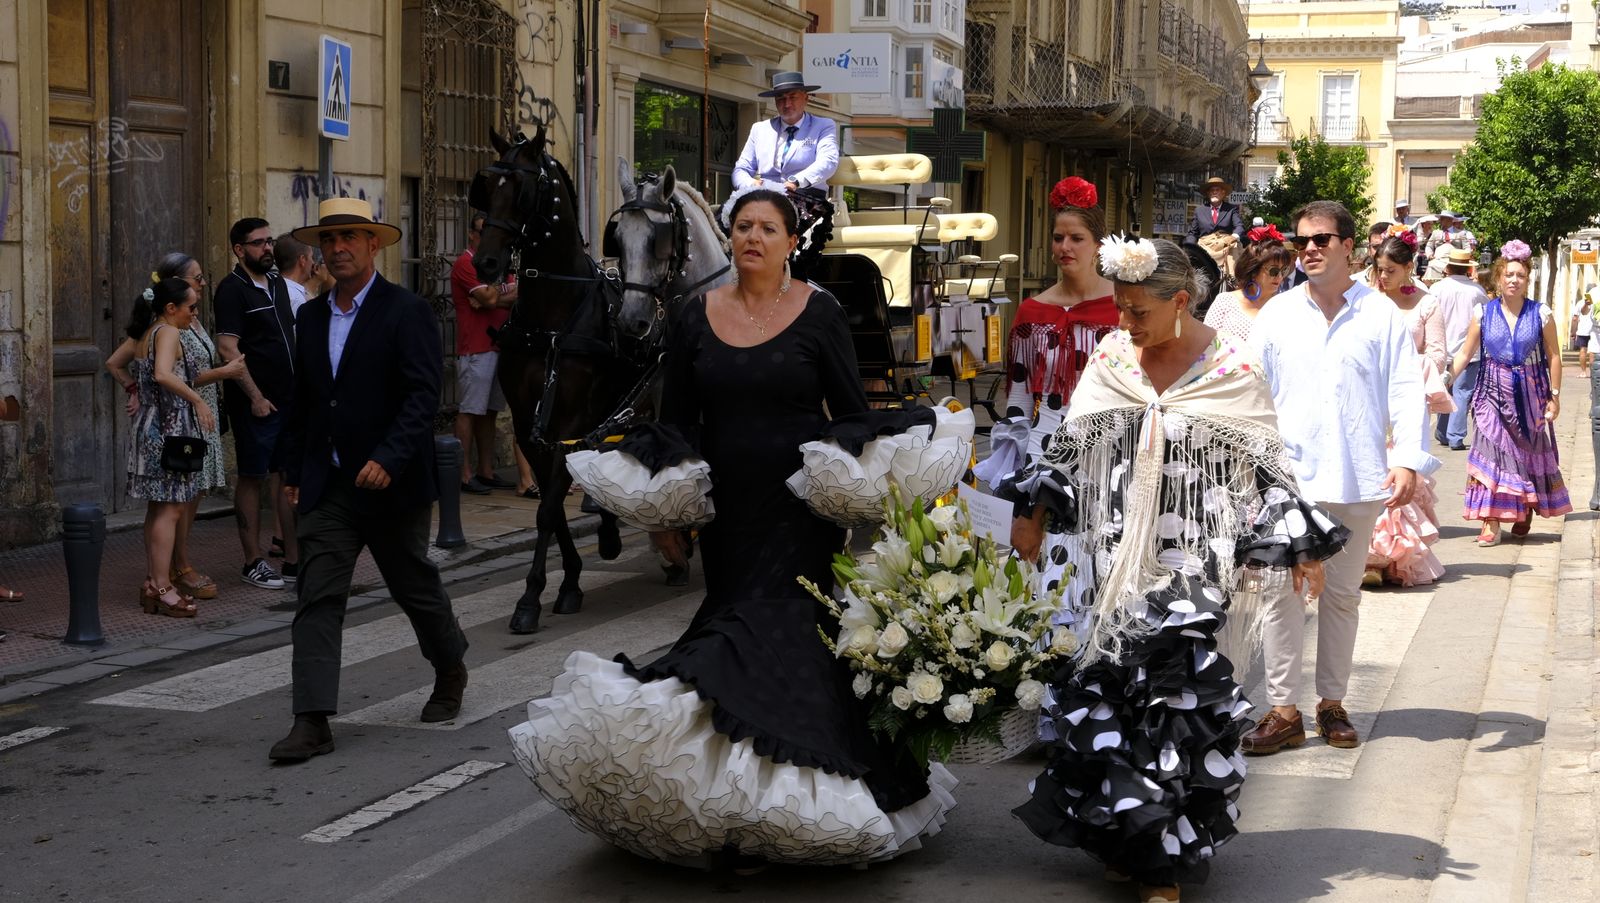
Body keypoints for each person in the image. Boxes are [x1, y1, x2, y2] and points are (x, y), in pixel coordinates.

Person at [507, 188, 956, 868]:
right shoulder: (693, 315)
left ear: (789, 239)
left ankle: (811, 801)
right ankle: (742, 803)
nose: (752, 237)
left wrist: (880, 469)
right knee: (733, 625)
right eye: (742, 226)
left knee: (783, 635)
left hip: (799, 510)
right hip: (730, 513)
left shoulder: (821, 312)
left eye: (767, 227)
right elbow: (680, 422)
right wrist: (665, 501)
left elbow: (850, 411)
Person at [1009, 236, 1347, 903]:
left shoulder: (1229, 366)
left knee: (1171, 693)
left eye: (1138, 311)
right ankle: (1125, 833)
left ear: (1182, 301)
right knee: (1113, 689)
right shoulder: (1112, 355)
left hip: (1193, 556)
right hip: (1115, 555)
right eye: (1122, 308)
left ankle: (1161, 856)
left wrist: (1302, 546)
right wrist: (1033, 512)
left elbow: (1267, 462)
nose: (1125, 323)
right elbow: (1069, 442)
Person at [268, 198, 470, 762]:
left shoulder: (405, 311)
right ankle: (311, 721)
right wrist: (293, 469)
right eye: (330, 239)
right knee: (318, 595)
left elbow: (422, 396)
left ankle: (450, 665)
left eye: (351, 237)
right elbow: (303, 399)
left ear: (373, 245)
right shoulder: (309, 317)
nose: (339, 248)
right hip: (329, 485)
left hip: (391, 483)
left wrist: (390, 455)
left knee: (413, 586)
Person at [1245, 200, 1438, 757]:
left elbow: (1405, 391)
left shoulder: (1380, 315)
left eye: (1322, 239)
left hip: (1357, 475)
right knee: (1283, 595)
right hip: (1290, 477)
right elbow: (1251, 389)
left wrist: (1406, 459)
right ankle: (1283, 709)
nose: (1309, 249)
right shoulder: (1278, 316)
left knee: (1344, 597)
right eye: (1301, 240)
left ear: (1350, 247)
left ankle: (1331, 702)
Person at [107, 253, 235, 601]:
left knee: (157, 507)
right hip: (169, 429)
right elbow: (164, 375)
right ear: (170, 307)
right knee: (171, 508)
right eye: (190, 308)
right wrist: (196, 399)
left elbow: (115, 364)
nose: (195, 313)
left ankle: (153, 580)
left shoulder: (146, 332)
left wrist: (133, 389)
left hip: (149, 426)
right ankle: (163, 584)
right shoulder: (167, 333)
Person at [1449, 240, 1572, 546]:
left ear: (1527, 280)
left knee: (1523, 455)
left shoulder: (1540, 313)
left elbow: (1554, 356)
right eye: (1509, 275)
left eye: (1520, 275)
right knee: (1492, 451)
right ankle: (1491, 520)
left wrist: (1554, 396)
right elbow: (1466, 353)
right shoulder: (1483, 313)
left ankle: (1524, 506)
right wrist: (1445, 378)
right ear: (1499, 278)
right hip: (1491, 390)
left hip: (1531, 394)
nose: (1514, 280)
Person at [1004, 176, 1119, 461]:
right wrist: (1010, 458)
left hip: (1110, 450)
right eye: (1058, 238)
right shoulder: (1032, 311)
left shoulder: (1123, 307)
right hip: (1043, 447)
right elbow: (1019, 397)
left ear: (1098, 246)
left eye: (1077, 239)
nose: (1065, 247)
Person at [214, 217, 297, 590]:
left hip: (290, 400)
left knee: (288, 476)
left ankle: (294, 560)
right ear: (239, 249)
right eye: (259, 243)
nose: (268, 248)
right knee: (252, 476)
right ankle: (253, 561)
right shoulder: (232, 290)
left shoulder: (278, 284)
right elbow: (228, 349)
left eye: (270, 241)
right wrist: (256, 397)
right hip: (256, 404)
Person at [1364, 234, 1447, 587]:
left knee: (1399, 472)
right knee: (1371, 471)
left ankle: (1398, 557)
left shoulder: (1427, 305)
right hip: (1369, 398)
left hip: (1406, 399)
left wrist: (1407, 367)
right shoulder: (1366, 302)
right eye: (1379, 270)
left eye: (1390, 271)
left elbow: (1439, 354)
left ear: (1408, 269)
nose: (1382, 277)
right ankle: (1370, 555)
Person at [450, 213, 523, 495]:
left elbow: (515, 293)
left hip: (498, 345)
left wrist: (488, 299)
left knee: (490, 412)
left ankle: (486, 471)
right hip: (476, 348)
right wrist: (493, 298)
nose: (488, 238)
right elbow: (496, 297)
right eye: (482, 231)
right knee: (470, 410)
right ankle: (463, 474)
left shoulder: (500, 264)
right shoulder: (466, 263)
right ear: (471, 234)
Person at [732, 71, 839, 196]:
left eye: (793, 97)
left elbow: (828, 161)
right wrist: (750, 183)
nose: (787, 104)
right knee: (725, 212)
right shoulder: (760, 129)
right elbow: (741, 169)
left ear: (806, 99)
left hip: (805, 195)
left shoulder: (823, 126)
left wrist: (796, 181)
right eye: (781, 99)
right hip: (765, 196)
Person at [1434, 245, 1489, 449]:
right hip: (1469, 350)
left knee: (1442, 390)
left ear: (1448, 267)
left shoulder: (1437, 289)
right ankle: (1455, 436)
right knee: (1462, 392)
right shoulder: (1477, 291)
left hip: (1442, 348)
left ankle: (1443, 432)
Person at [1203, 235, 1292, 340]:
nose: (1280, 276)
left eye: (1284, 270)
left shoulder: (1285, 306)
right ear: (1253, 271)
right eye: (1274, 271)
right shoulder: (1225, 301)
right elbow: (1205, 343)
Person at [1185, 176, 1246, 282]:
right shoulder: (1199, 210)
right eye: (1212, 190)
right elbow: (1192, 233)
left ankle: (1233, 280)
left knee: (1235, 249)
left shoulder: (1231, 209)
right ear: (1208, 194)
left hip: (1226, 245)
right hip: (1205, 245)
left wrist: (1233, 237)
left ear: (1223, 193)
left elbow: (1239, 226)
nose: (1214, 192)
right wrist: (1190, 247)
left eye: (1217, 190)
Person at [274, 233, 329, 317]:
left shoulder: (272, 288)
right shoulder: (297, 299)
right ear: (302, 260)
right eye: (311, 257)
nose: (313, 262)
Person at [1571, 297, 1593, 375]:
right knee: (1593, 351)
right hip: (1594, 329)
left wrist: (1573, 331)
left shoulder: (1580, 303)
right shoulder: (1596, 301)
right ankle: (1593, 373)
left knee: (1583, 350)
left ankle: (1583, 372)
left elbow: (1575, 318)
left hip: (1582, 330)